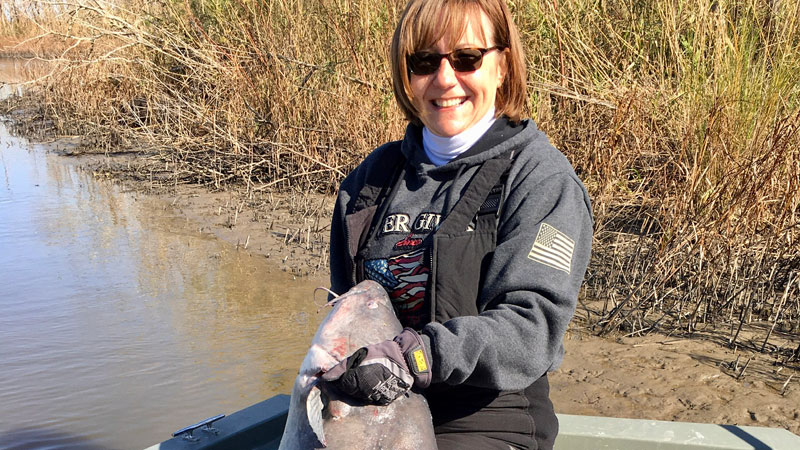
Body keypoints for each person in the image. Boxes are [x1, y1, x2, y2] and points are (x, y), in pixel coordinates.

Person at [322, 0, 593, 448]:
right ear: (406, 74)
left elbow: (531, 331)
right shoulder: (370, 181)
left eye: (467, 58)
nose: (445, 78)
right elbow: (343, 319)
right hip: (373, 413)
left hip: (486, 422)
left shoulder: (540, 178)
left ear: (502, 66)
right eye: (424, 61)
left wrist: (416, 357)